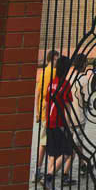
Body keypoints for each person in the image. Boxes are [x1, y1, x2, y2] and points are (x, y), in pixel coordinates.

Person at [43, 54, 74, 190]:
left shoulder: (51, 83)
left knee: (52, 153)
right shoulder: (65, 84)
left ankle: (49, 186)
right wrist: (69, 127)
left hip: (49, 122)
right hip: (59, 122)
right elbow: (67, 108)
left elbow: (46, 103)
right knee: (67, 152)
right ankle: (49, 177)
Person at [35, 49, 59, 182]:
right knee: (50, 144)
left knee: (44, 143)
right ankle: (48, 174)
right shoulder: (54, 72)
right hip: (49, 112)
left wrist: (37, 112)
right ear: (52, 59)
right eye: (56, 59)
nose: (57, 62)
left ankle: (38, 169)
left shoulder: (43, 71)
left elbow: (37, 93)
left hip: (42, 111)